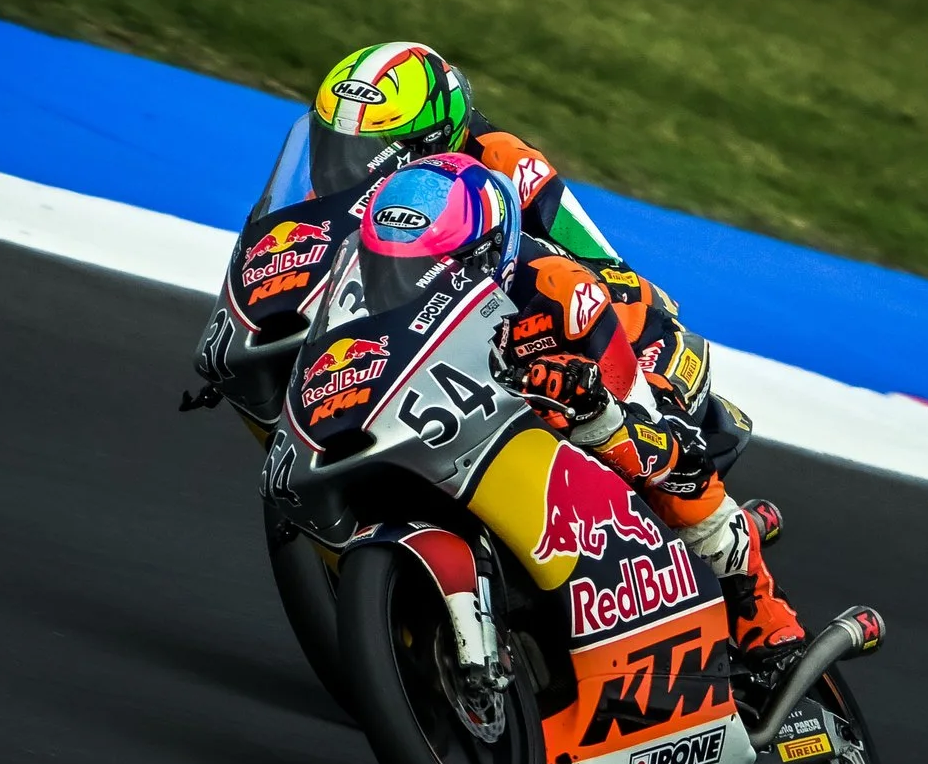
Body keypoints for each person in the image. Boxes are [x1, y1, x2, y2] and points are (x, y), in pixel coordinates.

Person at [353, 155, 804, 662]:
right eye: (393, 267)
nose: (411, 282)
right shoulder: (378, 289)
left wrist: (587, 399)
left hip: (644, 357)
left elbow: (633, 406)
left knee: (649, 457)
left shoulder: (558, 293)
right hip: (528, 385)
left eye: (432, 269)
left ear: (483, 254)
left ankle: (755, 598)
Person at [263, 41, 734, 447]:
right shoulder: (363, 191)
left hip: (576, 320)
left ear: (428, 142)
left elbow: (606, 265)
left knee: (620, 338)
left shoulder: (507, 161)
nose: (342, 172)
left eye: (363, 155)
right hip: (439, 307)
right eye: (333, 148)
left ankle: (680, 482)